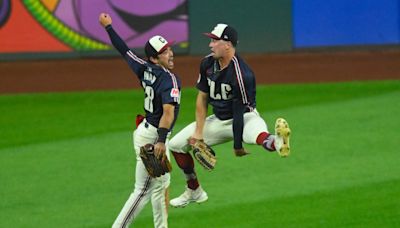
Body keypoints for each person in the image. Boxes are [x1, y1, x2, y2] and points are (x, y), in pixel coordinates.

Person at [168, 23, 291, 208]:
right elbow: (202, 99)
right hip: (218, 120)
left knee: (258, 136)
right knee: (176, 145)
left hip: (245, 117)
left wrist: (237, 146)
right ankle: (194, 190)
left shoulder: (242, 74)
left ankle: (278, 142)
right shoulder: (207, 63)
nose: (210, 45)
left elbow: (239, 112)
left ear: (227, 44)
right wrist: (199, 133)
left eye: (214, 40)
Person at [99, 13, 181, 228]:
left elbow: (124, 50)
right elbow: (168, 113)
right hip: (155, 136)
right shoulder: (169, 79)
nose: (171, 54)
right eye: (165, 52)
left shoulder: (144, 67)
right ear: (155, 58)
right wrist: (161, 141)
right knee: (143, 190)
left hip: (146, 132)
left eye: (170, 49)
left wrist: (108, 27)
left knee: (161, 185)